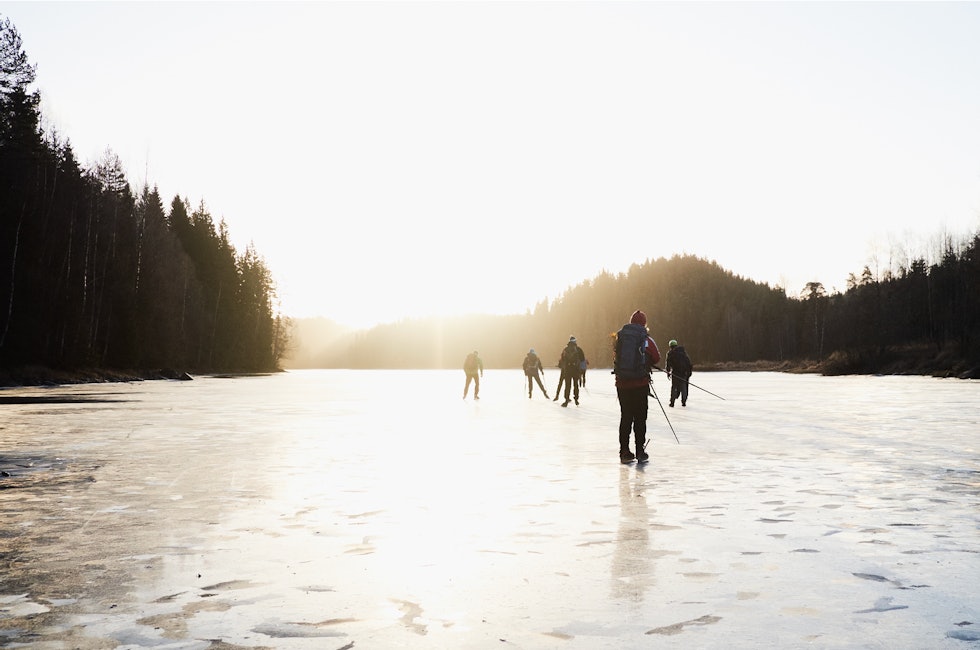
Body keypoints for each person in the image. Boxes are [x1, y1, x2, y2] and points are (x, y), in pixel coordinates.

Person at [613, 310, 661, 463]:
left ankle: (624, 452)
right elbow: (657, 357)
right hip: (640, 384)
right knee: (640, 418)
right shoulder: (646, 339)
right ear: (644, 323)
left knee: (626, 417)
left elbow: (617, 357)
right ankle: (640, 451)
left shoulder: (620, 338)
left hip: (622, 384)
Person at [559, 336, 585, 407]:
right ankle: (576, 399)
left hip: (567, 370)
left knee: (567, 385)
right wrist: (582, 370)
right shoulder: (579, 349)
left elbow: (562, 359)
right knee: (575, 385)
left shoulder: (565, 349)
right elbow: (583, 360)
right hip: (576, 370)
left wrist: (562, 367)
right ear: (575, 341)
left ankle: (566, 400)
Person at [665, 339, 693, 407]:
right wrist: (689, 372)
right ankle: (683, 401)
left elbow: (668, 364)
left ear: (670, 346)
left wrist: (668, 372)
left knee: (674, 387)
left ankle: (672, 402)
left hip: (675, 373)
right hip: (683, 373)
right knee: (684, 387)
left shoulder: (670, 353)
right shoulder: (683, 352)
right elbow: (688, 363)